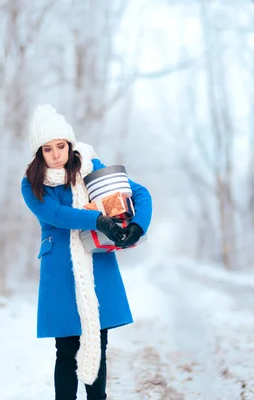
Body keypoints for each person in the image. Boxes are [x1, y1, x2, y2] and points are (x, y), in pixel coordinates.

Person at [21, 104, 152, 400]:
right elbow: (56, 214)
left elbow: (140, 193)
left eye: (60, 146)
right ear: (39, 154)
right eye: (47, 148)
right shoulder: (31, 185)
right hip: (60, 270)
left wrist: (137, 225)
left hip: (97, 262)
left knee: (99, 342)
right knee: (66, 348)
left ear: (69, 144)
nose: (56, 154)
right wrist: (98, 219)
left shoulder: (91, 168)